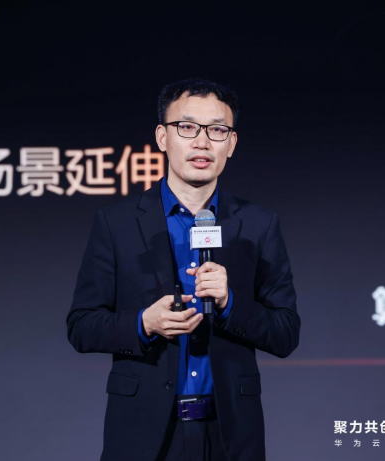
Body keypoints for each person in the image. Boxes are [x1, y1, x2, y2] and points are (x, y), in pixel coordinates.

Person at [66, 78, 300, 461]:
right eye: (187, 127)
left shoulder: (259, 225)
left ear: (231, 144)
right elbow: (81, 325)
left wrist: (229, 302)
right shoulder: (116, 224)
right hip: (145, 436)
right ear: (162, 137)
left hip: (230, 435)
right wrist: (144, 323)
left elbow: (286, 333)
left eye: (217, 130)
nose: (202, 142)